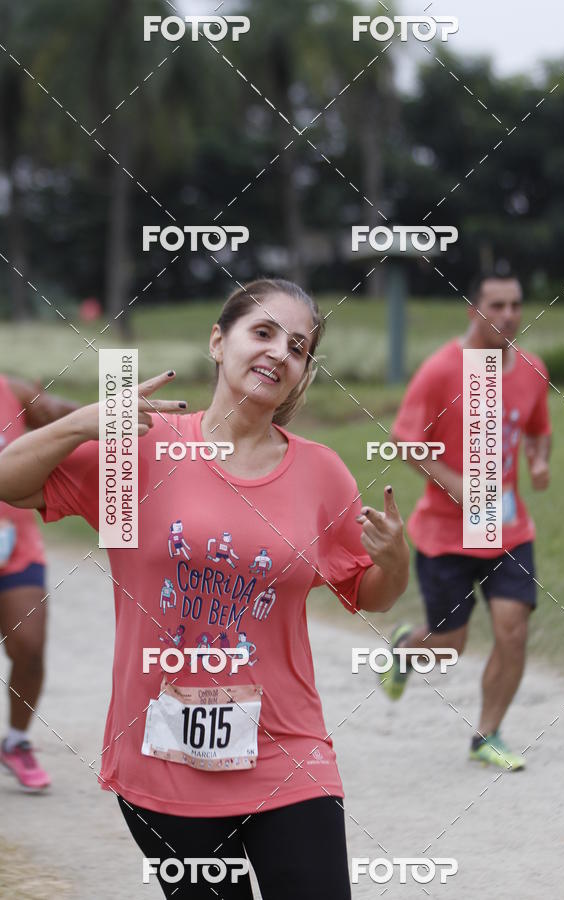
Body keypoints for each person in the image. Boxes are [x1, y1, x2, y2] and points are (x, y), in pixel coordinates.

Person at [0, 279, 410, 899]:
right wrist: (83, 424)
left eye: (297, 347)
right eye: (263, 332)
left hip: (287, 749)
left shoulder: (322, 472)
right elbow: (10, 481)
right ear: (219, 341)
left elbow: (371, 593)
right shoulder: (141, 448)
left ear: (301, 375)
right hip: (163, 759)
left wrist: (396, 560)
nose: (279, 353)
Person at [380, 272, 551, 771]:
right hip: (444, 533)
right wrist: (453, 481)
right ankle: (408, 650)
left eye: (516, 304)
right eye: (496, 305)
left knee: (512, 629)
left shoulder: (533, 370)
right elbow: (405, 439)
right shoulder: (441, 370)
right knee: (450, 645)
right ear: (473, 312)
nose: (508, 315)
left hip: (507, 528)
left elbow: (539, 431)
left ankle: (487, 734)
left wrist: (539, 462)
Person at [0, 375, 77, 790]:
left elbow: (62, 417)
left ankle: (15, 741)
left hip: (14, 547)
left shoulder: (13, 391)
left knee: (29, 647)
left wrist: (102, 415)